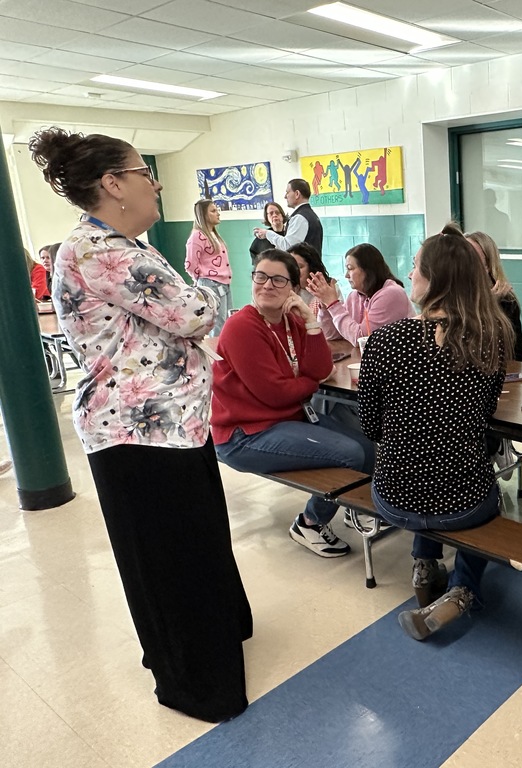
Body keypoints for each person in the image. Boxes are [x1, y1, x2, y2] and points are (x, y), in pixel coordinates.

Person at [28, 127, 250, 723]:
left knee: (198, 548)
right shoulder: (102, 251)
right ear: (112, 184)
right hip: (137, 434)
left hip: (175, 427)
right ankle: (198, 682)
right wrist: (206, 287)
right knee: (170, 560)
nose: (154, 184)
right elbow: (195, 312)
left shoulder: (125, 244)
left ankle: (217, 643)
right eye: (143, 173)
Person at [358, 224, 513, 640]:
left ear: (435, 280)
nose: (409, 275)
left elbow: (370, 426)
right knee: (487, 494)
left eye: (414, 268)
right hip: (461, 501)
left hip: (394, 495)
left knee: (423, 467)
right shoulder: (494, 339)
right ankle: (461, 591)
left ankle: (424, 563)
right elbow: (483, 419)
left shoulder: (385, 341)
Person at [212, 249, 374, 557]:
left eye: (278, 279)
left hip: (289, 418)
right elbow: (275, 393)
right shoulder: (242, 327)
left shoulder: (293, 322)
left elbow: (322, 367)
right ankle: (310, 523)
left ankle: (355, 506)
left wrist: (312, 322)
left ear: (293, 288)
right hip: (245, 434)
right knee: (350, 453)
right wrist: (306, 385)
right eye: (261, 276)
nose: (267, 285)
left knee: (367, 447)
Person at [307, 243, 414, 346]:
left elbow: (361, 338)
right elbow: (331, 335)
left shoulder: (392, 294)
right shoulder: (354, 297)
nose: (346, 275)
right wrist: (325, 307)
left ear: (367, 270)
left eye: (350, 268)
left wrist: (333, 304)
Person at [467, 230, 522, 362]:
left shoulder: (506, 299)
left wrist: (490, 305)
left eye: (472, 258)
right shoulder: (453, 299)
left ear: (487, 266)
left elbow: (515, 352)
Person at [185, 199, 232, 336]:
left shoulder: (213, 235)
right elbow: (190, 264)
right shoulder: (197, 236)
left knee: (227, 320)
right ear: (204, 215)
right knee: (218, 323)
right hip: (211, 283)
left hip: (224, 283)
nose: (218, 213)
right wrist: (201, 279)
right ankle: (218, 354)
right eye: (213, 211)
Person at [253, 178, 322, 256]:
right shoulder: (309, 214)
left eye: (287, 192)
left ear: (297, 194)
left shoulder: (300, 218)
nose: (285, 196)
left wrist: (267, 233)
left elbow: (288, 247)